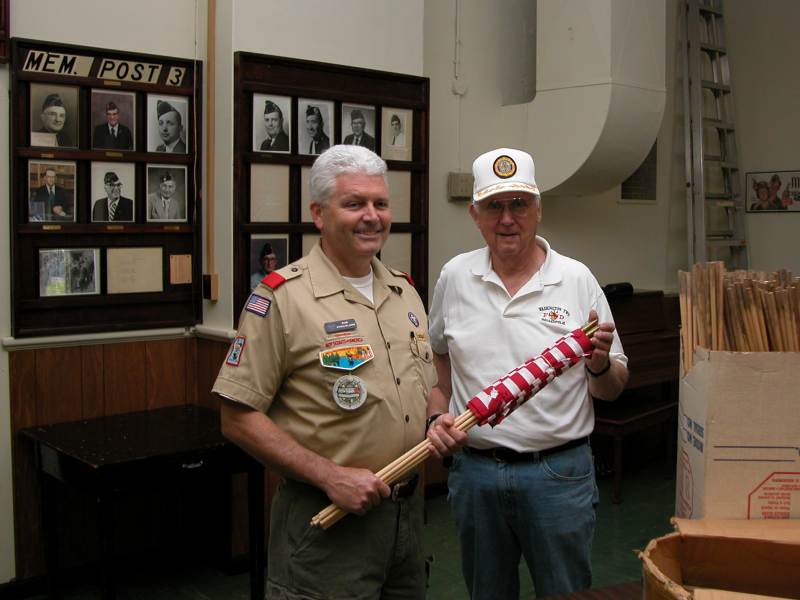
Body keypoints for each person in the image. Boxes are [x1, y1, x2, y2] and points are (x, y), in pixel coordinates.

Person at [212, 144, 436, 599]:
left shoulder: (404, 291)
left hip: (407, 518)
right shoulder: (282, 298)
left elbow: (421, 389)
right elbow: (236, 417)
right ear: (318, 214)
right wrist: (330, 476)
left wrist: (437, 420)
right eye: (354, 204)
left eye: (380, 203)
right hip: (328, 525)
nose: (371, 216)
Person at [424, 148, 629, 599]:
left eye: (519, 204)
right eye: (494, 206)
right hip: (475, 474)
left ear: (538, 209)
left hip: (558, 474)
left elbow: (613, 388)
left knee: (566, 593)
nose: (507, 219)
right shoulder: (454, 277)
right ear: (475, 214)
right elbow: (438, 356)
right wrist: (438, 410)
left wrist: (597, 364)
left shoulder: (576, 280)